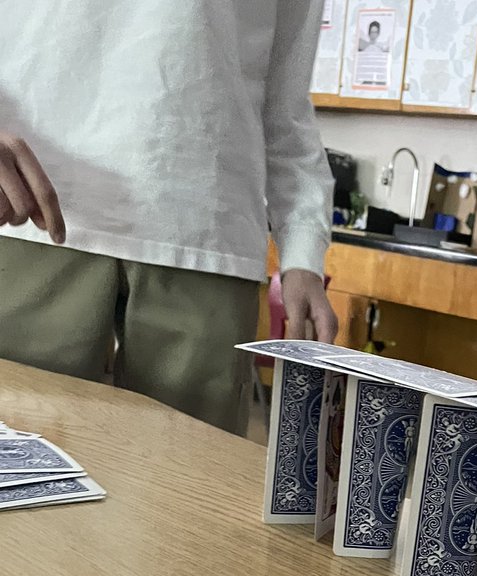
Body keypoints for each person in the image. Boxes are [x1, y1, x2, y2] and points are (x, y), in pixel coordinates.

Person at [0, 0, 337, 435]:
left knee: (191, 488)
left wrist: (303, 250)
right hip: (30, 212)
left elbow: (286, 101)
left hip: (209, 236)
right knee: (17, 480)